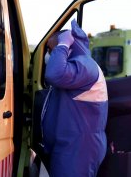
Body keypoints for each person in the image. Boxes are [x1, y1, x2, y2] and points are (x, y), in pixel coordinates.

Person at [41, 19, 108, 176]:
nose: (50, 55)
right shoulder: (78, 65)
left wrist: (62, 45)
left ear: (69, 46)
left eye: (51, 49)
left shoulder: (86, 66)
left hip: (79, 150)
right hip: (71, 147)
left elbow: (54, 74)